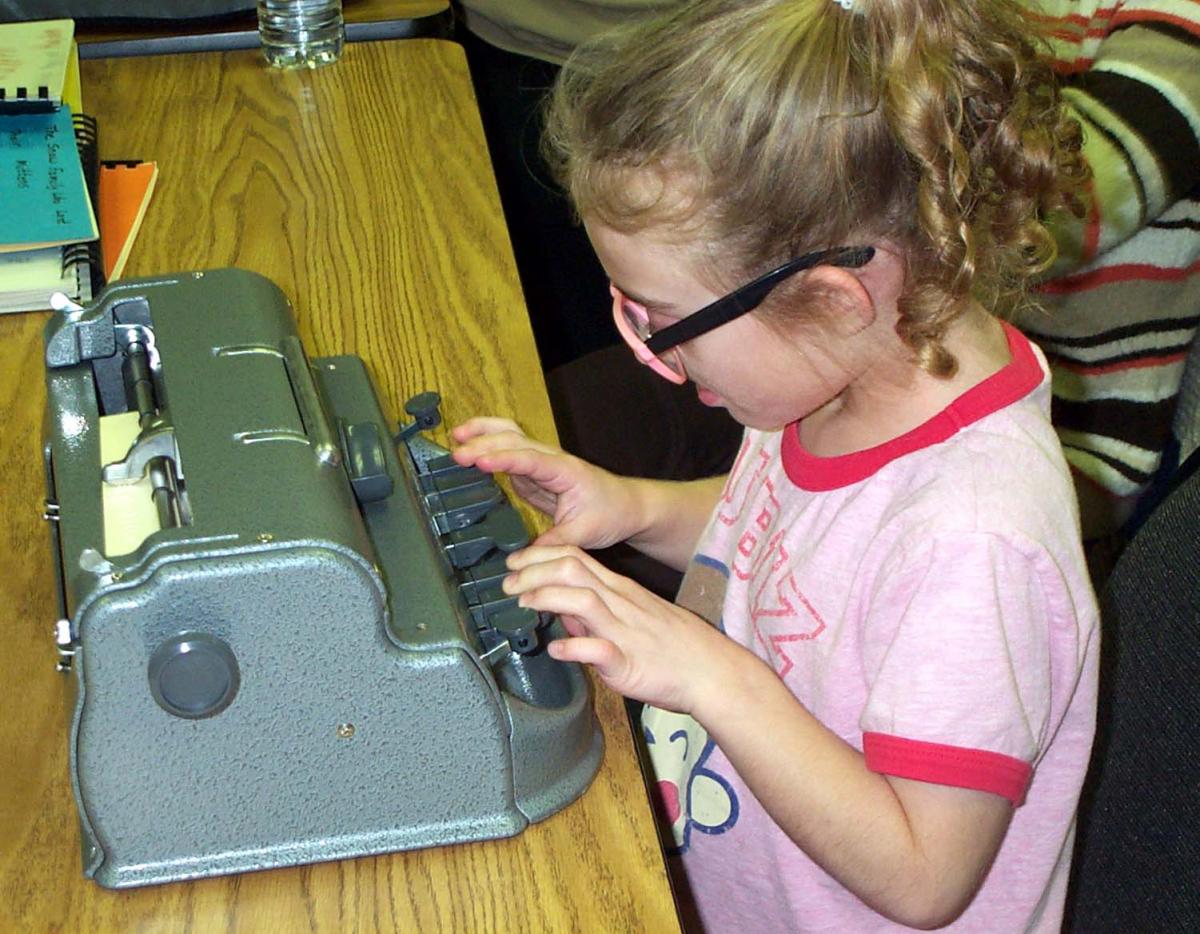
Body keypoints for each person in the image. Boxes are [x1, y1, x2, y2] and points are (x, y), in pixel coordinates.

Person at [450, 1, 1100, 930]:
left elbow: (926, 874)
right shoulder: (836, 376)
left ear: (830, 299)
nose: (654, 356)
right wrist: (635, 507)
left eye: (661, 321)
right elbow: (801, 537)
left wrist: (711, 673)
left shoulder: (977, 541)